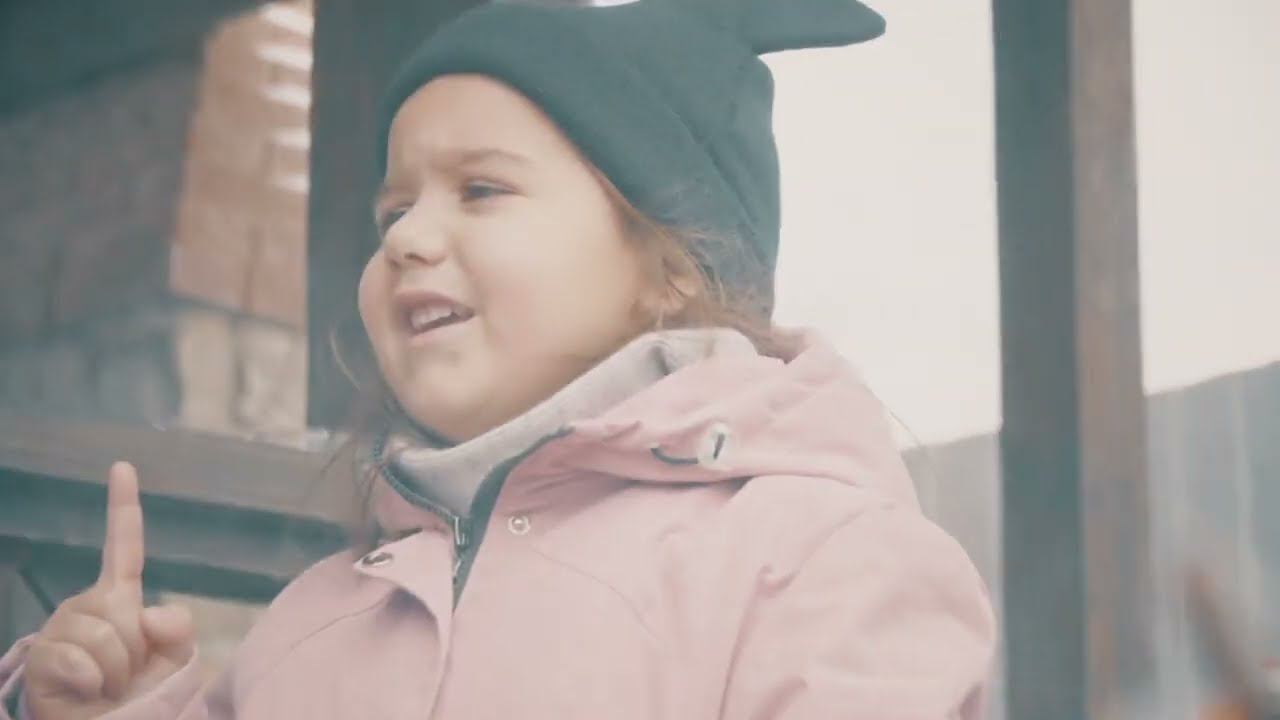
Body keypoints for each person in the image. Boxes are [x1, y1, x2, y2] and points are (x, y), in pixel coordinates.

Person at [0, 0, 996, 717]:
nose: (406, 238)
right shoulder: (313, 618)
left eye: (480, 190)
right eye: (392, 210)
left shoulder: (821, 561)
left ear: (670, 269)